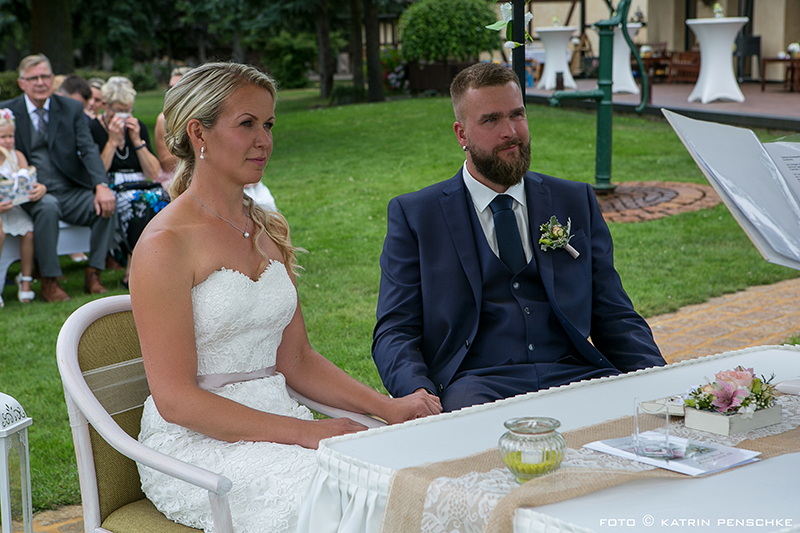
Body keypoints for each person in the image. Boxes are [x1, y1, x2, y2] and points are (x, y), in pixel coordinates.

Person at [130, 62, 442, 533]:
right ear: (200, 134)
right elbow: (176, 400)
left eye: (269, 124)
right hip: (197, 447)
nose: (264, 140)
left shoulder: (266, 231)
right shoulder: (165, 245)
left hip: (279, 419)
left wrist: (386, 405)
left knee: (421, 477)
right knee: (360, 503)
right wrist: (310, 432)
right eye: (247, 124)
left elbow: (297, 359)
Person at [372, 62, 665, 412]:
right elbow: (395, 330)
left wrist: (659, 380)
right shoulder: (417, 215)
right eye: (491, 120)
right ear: (461, 135)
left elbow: (613, 312)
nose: (510, 131)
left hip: (575, 372)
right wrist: (418, 392)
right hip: (476, 385)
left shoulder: (574, 201)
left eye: (517, 114)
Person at [0, 54, 115, 302]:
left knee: (106, 205)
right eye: (33, 78)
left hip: (70, 188)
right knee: (49, 207)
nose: (40, 82)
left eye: (44, 77)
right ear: (22, 83)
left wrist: (101, 185)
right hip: (29, 194)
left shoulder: (70, 108)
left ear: (52, 80)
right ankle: (49, 282)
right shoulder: (8, 112)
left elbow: (88, 148)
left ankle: (94, 273)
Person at [89, 76, 165, 288]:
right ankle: (134, 268)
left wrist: (137, 141)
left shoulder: (137, 126)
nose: (125, 116)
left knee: (162, 198)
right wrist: (112, 141)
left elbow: (153, 172)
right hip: (111, 185)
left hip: (141, 184)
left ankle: (151, 263)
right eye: (120, 110)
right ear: (105, 106)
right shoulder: (93, 129)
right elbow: (98, 170)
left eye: (128, 110)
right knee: (139, 202)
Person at [0, 108, 47, 306]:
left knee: (29, 231)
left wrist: (39, 188)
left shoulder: (17, 156)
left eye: (11, 136)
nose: (8, 141)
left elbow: (27, 179)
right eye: (3, 137)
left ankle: (26, 278)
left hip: (14, 207)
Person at [153, 67, 192, 185]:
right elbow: (166, 164)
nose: (171, 92)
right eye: (170, 88)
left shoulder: (206, 116)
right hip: (174, 177)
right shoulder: (164, 119)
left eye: (178, 87)